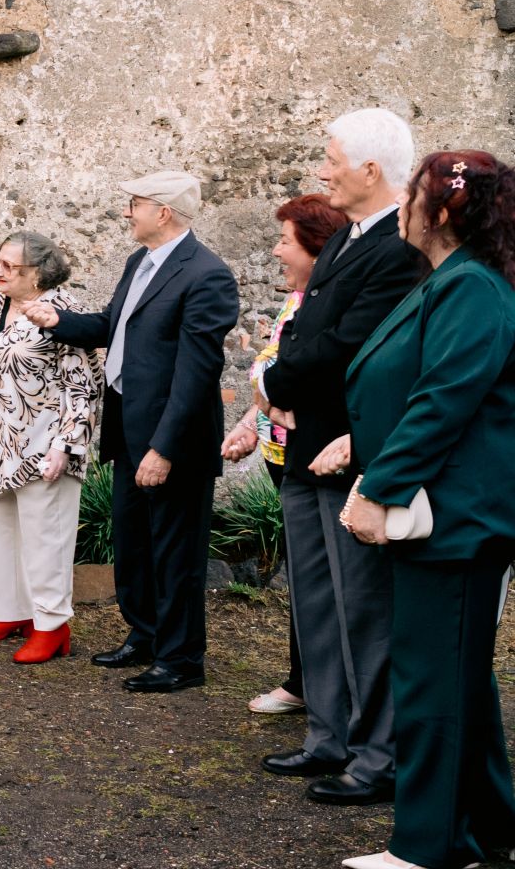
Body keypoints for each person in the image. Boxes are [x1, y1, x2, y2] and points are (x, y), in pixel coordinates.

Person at [336, 151, 515, 869]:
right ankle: (492, 827)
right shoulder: (453, 281)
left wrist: (382, 488)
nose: (403, 207)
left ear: (440, 210)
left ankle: (429, 847)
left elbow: (443, 399)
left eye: (413, 195)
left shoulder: (472, 287)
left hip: (456, 519)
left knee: (432, 677)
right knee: (458, 677)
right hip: (448, 512)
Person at [250, 112, 426, 806]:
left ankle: (376, 754)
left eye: (331, 160)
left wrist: (271, 384)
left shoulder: (398, 248)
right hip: (304, 451)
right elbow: (304, 331)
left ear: (371, 172)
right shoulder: (350, 241)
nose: (323, 171)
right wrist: (282, 378)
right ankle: (327, 736)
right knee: (316, 605)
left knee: (363, 610)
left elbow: (346, 346)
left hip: (350, 453)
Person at [23, 170, 238, 693]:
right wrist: (56, 320)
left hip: (173, 440)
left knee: (176, 552)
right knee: (136, 544)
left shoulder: (206, 275)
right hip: (127, 430)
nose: (126, 212)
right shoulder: (139, 262)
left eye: (134, 204)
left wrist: (164, 448)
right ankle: (144, 635)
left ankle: (182, 659)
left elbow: (197, 372)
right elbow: (110, 326)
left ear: (162, 212)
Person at [219, 193, 348, 718]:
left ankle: (317, 686)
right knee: (305, 575)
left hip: (318, 454)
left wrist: (266, 397)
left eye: (284, 241)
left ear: (316, 248)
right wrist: (251, 422)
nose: (274, 251)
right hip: (281, 453)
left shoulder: (323, 300)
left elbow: (290, 373)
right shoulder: (299, 298)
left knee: (323, 577)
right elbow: (272, 371)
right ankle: (303, 680)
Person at [0, 231, 100, 663]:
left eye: (9, 266)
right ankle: (10, 611)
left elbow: (84, 386)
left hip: (43, 442)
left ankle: (52, 625)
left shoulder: (62, 313)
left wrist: (67, 445)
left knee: (45, 535)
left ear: (37, 273)